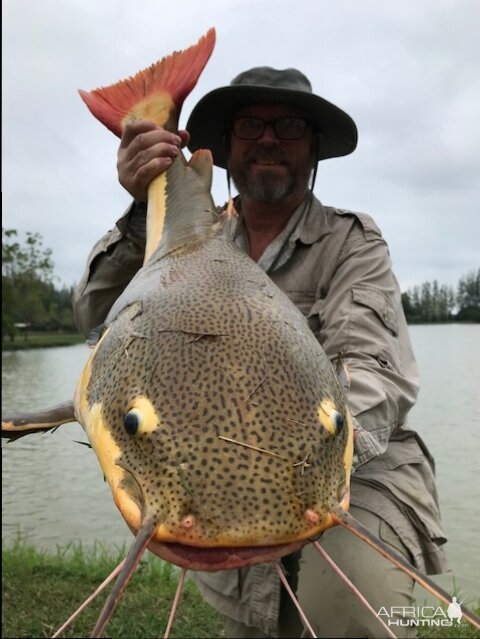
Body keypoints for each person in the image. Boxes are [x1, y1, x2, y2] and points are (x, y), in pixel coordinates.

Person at [72, 67, 448, 638]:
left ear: (314, 147)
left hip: (350, 466)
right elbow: (94, 315)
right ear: (224, 148)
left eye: (290, 126)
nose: (269, 139)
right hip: (205, 474)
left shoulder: (353, 241)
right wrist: (143, 208)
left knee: (355, 614)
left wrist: (313, 455)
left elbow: (375, 369)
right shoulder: (182, 240)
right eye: (250, 126)